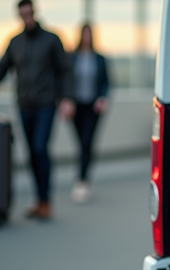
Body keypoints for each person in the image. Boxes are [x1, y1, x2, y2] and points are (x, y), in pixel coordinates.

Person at [0, 0, 74, 220]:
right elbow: (2, 66)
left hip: (45, 104)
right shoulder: (15, 42)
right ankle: (38, 200)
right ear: (19, 16)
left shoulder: (52, 39)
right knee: (32, 153)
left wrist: (67, 98)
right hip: (24, 105)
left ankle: (46, 200)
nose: (26, 17)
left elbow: (65, 70)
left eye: (29, 13)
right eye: (22, 14)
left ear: (34, 12)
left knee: (41, 148)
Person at [69, 23, 110, 203]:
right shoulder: (71, 57)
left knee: (87, 142)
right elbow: (66, 80)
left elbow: (106, 82)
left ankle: (82, 181)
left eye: (89, 34)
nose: (87, 37)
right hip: (76, 106)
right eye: (84, 34)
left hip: (93, 107)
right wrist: (66, 99)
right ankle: (83, 176)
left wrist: (103, 97)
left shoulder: (100, 59)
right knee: (81, 143)